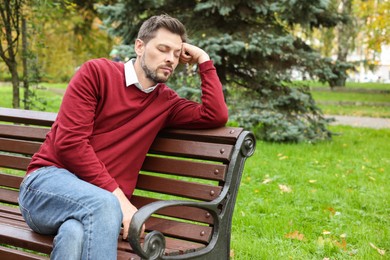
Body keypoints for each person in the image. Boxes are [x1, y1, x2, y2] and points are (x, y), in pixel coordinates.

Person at [18, 14, 228, 260]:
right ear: (140, 46)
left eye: (176, 52)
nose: (170, 59)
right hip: (46, 186)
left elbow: (215, 115)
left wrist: (203, 58)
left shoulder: (166, 102)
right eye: (163, 49)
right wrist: (120, 201)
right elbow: (70, 144)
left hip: (94, 209)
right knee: (105, 205)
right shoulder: (97, 73)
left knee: (74, 234)